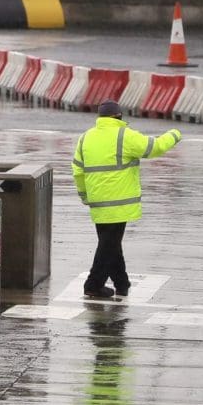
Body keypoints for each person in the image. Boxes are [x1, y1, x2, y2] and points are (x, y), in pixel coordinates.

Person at [72, 100, 182, 300]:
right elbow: (154, 148)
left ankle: (122, 283)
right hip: (119, 202)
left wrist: (84, 195)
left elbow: (78, 170)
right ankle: (93, 284)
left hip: (97, 201)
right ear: (118, 116)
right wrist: (174, 134)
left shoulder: (85, 137)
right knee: (108, 244)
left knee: (111, 243)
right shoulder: (125, 135)